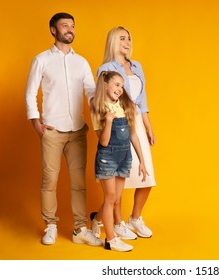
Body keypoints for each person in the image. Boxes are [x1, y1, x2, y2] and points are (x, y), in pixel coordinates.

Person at [24, 12, 102, 246]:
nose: (70, 29)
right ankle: (50, 225)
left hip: (77, 130)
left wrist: (104, 106)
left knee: (79, 182)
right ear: (53, 30)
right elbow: (30, 92)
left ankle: (80, 229)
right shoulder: (42, 59)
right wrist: (36, 123)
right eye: (64, 25)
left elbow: (91, 91)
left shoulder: (82, 62)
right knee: (49, 180)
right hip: (52, 130)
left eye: (72, 26)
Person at [91, 26, 156, 239]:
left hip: (135, 121)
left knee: (146, 176)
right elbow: (102, 99)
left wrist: (147, 126)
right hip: (118, 122)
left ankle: (135, 218)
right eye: (122, 39)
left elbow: (142, 100)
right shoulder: (106, 68)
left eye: (129, 38)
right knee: (120, 176)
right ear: (112, 41)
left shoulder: (137, 66)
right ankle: (117, 222)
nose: (127, 42)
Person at [91, 71, 148, 252]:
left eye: (122, 86)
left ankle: (97, 220)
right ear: (105, 85)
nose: (120, 89)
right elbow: (104, 142)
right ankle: (111, 240)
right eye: (116, 84)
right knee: (110, 199)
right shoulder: (99, 108)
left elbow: (133, 135)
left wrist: (142, 160)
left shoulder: (124, 105)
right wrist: (108, 121)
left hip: (124, 157)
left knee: (115, 199)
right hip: (107, 158)